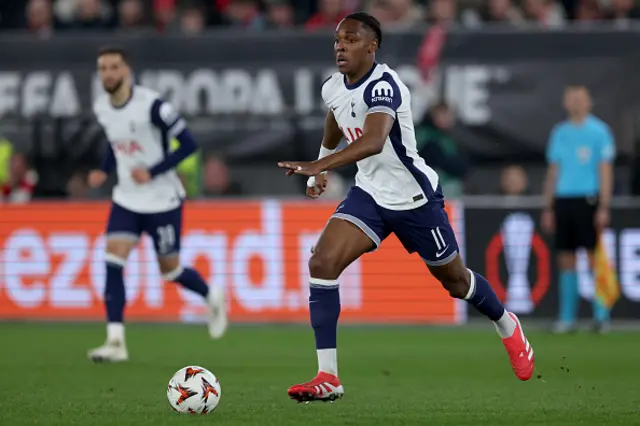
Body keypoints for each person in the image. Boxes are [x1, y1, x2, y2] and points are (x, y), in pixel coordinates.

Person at [278, 12, 535, 403]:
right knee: (322, 263)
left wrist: (319, 166)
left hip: (415, 200)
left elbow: (374, 140)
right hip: (369, 194)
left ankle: (505, 321)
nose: (340, 47)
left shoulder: (386, 85)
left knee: (455, 282)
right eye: (336, 41)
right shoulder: (333, 86)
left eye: (350, 39)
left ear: (371, 45)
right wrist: (320, 163)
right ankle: (328, 376)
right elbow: (335, 119)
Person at [87, 46, 228, 363]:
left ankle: (210, 296)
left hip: (162, 201)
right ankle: (115, 341)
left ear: (127, 71)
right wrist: (104, 170)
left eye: (114, 67)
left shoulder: (151, 106)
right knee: (113, 261)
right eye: (103, 68)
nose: (108, 73)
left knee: (171, 270)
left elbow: (189, 144)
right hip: (126, 200)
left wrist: (152, 171)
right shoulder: (102, 107)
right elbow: (115, 143)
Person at [541, 85, 615, 334]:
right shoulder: (559, 132)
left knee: (595, 258)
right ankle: (567, 318)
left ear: (589, 102)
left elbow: (605, 170)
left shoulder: (599, 131)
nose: (575, 103)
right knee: (566, 258)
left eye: (580, 99)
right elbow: (553, 171)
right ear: (564, 102)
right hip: (563, 200)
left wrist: (604, 205)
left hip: (589, 200)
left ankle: (601, 316)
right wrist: (548, 206)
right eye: (571, 98)